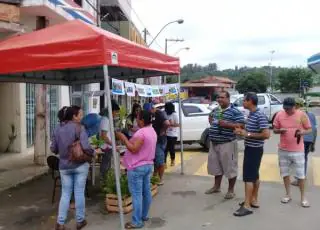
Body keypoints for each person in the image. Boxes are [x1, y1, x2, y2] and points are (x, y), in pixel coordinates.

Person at [51, 106, 94, 230]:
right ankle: (80, 221)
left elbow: (53, 149)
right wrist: (93, 153)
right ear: (72, 116)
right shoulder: (79, 128)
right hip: (80, 165)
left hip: (64, 166)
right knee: (79, 192)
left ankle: (60, 223)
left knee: (65, 194)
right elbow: (86, 147)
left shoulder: (57, 129)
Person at [116, 110, 157, 229]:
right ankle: (143, 215)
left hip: (137, 167)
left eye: (138, 119)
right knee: (146, 192)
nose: (136, 121)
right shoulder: (151, 130)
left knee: (137, 195)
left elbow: (134, 149)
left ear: (142, 120)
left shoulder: (141, 133)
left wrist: (123, 138)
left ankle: (137, 221)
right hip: (148, 165)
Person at [233, 92, 270, 217]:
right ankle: (253, 199)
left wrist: (247, 134)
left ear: (250, 101)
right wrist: (242, 132)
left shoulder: (259, 115)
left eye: (244, 100)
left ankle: (247, 206)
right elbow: (250, 132)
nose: (243, 102)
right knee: (255, 176)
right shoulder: (252, 114)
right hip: (251, 148)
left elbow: (266, 134)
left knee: (248, 178)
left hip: (254, 150)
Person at [273, 97, 312, 208]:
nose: (287, 111)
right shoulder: (280, 114)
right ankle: (288, 194)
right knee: (285, 174)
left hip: (298, 150)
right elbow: (275, 129)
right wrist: (279, 130)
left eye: (289, 109)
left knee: (300, 175)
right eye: (285, 108)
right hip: (283, 150)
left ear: (294, 106)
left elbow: (309, 129)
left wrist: (302, 132)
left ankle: (303, 198)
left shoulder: (302, 115)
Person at [206, 91, 245, 199]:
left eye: (222, 97)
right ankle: (216, 187)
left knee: (230, 167)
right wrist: (211, 120)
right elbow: (211, 119)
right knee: (216, 166)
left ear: (228, 99)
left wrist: (227, 125)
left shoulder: (235, 111)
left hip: (227, 143)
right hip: (214, 143)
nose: (220, 99)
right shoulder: (215, 110)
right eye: (218, 97)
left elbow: (241, 125)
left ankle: (231, 190)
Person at [291, 98, 317, 186]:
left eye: (294, 105)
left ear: (297, 105)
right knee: (304, 158)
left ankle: (299, 179)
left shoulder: (297, 114)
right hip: (309, 139)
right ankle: (302, 176)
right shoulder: (312, 115)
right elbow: (314, 130)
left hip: (301, 139)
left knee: (299, 159)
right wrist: (313, 143)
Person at [99, 100, 121, 177]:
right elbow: (104, 136)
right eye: (116, 112)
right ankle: (103, 181)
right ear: (112, 111)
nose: (117, 114)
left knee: (107, 165)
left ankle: (104, 181)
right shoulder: (106, 120)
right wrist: (113, 145)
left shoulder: (107, 119)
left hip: (108, 146)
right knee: (105, 165)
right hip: (106, 146)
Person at [152, 103, 170, 185]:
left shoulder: (159, 113)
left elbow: (167, 123)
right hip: (158, 140)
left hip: (159, 140)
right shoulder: (156, 114)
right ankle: (155, 176)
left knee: (159, 160)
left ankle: (161, 179)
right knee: (156, 159)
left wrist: (162, 131)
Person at [164, 102, 179, 167]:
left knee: (171, 148)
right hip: (166, 134)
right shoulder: (166, 114)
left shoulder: (174, 115)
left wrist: (171, 124)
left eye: (166, 108)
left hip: (173, 134)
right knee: (165, 149)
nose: (165, 109)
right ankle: (164, 163)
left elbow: (178, 124)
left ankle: (172, 160)